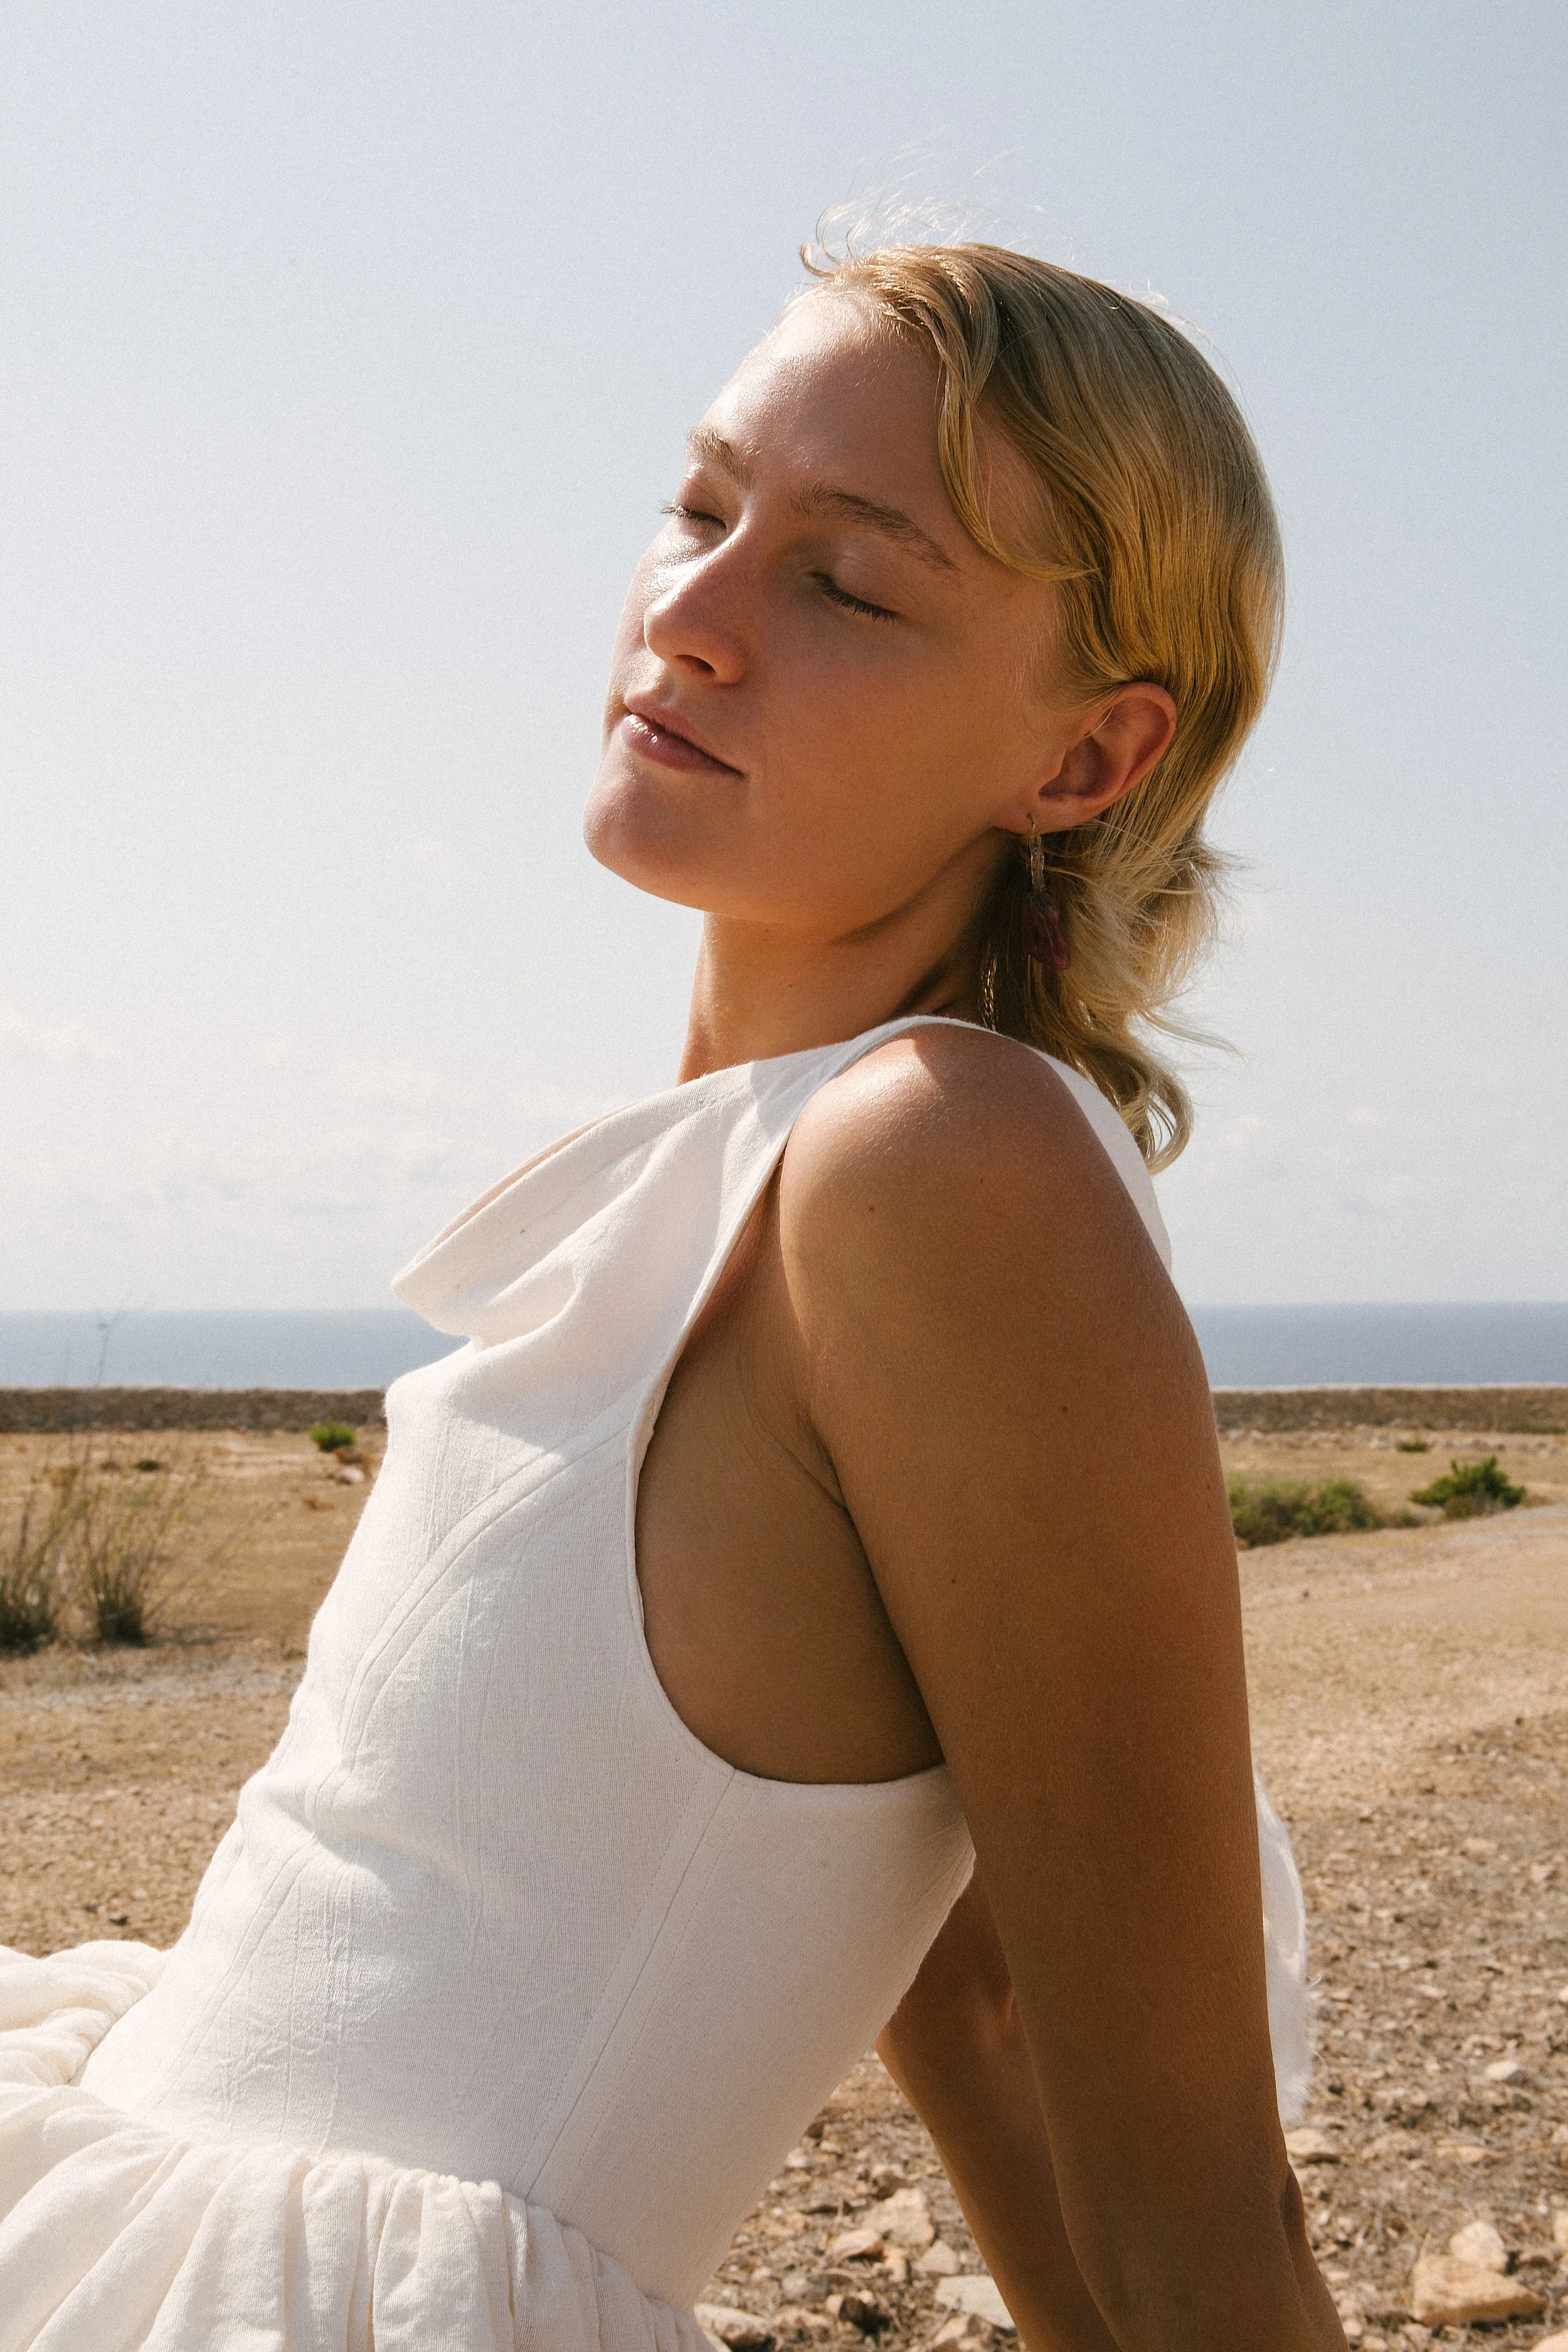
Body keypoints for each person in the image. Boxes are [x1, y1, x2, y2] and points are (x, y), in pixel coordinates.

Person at [0, 243, 1343, 2352]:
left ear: (1085, 758)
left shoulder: (944, 1159)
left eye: (849, 582)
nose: (691, 615)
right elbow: (968, 1988)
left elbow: (1178, 2190)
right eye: (704, 504)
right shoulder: (744, 1173)